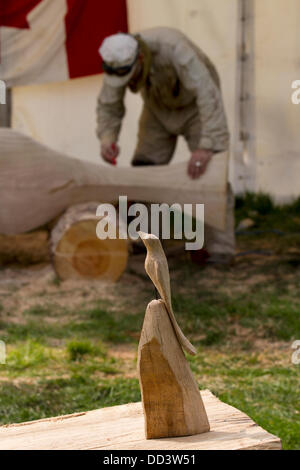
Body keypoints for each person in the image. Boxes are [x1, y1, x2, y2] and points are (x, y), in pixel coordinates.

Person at [96, 27, 235, 263]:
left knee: (212, 175)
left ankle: (219, 248)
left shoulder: (174, 48)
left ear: (139, 58)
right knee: (143, 173)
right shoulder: (118, 60)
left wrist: (207, 144)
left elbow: (206, 92)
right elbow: (109, 103)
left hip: (197, 109)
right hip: (158, 109)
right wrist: (108, 138)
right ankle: (146, 239)